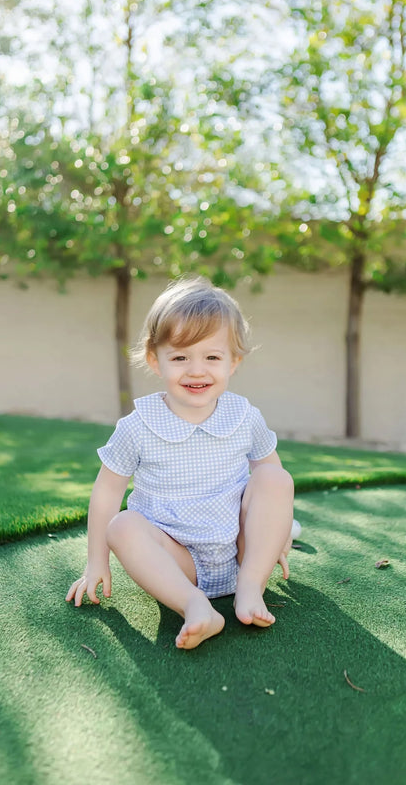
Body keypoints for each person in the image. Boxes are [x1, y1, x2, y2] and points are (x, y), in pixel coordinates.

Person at [66, 276, 295, 650]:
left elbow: (272, 480)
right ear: (156, 361)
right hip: (177, 562)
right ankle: (197, 608)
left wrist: (279, 534)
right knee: (122, 525)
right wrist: (96, 561)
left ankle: (250, 590)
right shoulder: (138, 426)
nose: (196, 370)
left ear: (233, 362)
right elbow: (106, 492)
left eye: (212, 357)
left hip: (241, 552)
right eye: (180, 357)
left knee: (275, 477)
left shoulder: (244, 415)